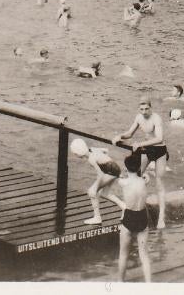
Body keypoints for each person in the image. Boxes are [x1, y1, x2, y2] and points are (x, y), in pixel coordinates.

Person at [115, 99, 168, 229]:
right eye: (141, 109)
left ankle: (161, 218)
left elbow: (159, 138)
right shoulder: (139, 117)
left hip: (160, 150)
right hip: (147, 150)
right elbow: (129, 133)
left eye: (146, 109)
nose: (144, 112)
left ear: (151, 108)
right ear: (139, 109)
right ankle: (130, 208)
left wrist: (140, 144)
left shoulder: (157, 119)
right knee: (135, 176)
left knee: (159, 183)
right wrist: (119, 136)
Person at [70, 138, 127, 225]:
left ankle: (97, 218)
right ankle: (124, 207)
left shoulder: (91, 159)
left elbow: (100, 174)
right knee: (104, 193)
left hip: (110, 172)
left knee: (92, 192)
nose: (75, 155)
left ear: (78, 153)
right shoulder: (92, 149)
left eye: (75, 154)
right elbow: (105, 150)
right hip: (114, 168)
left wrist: (96, 187)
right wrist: (106, 162)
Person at [116, 152, 153, 282]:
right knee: (144, 254)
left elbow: (117, 176)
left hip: (129, 217)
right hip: (142, 216)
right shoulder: (144, 181)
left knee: (123, 254)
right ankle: (148, 284)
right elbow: (146, 178)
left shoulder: (123, 182)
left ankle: (120, 282)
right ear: (139, 168)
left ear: (126, 168)